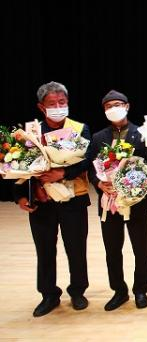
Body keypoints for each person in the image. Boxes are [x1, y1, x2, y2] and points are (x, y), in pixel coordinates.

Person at [14, 81, 92, 317]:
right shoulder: (30, 132)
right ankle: (49, 294)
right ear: (41, 107)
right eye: (52, 104)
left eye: (62, 102)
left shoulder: (79, 128)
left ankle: (78, 291)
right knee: (45, 249)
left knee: (76, 248)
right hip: (42, 200)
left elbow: (86, 160)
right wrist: (20, 197)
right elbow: (18, 166)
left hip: (73, 199)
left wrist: (63, 173)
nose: (58, 107)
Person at [88, 90, 147, 310]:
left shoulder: (142, 134)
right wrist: (99, 184)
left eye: (117, 104)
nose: (113, 109)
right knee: (112, 249)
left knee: (140, 248)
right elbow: (91, 168)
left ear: (127, 106)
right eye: (108, 106)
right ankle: (119, 291)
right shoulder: (98, 137)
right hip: (109, 202)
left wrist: (137, 182)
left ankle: (141, 290)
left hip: (136, 201)